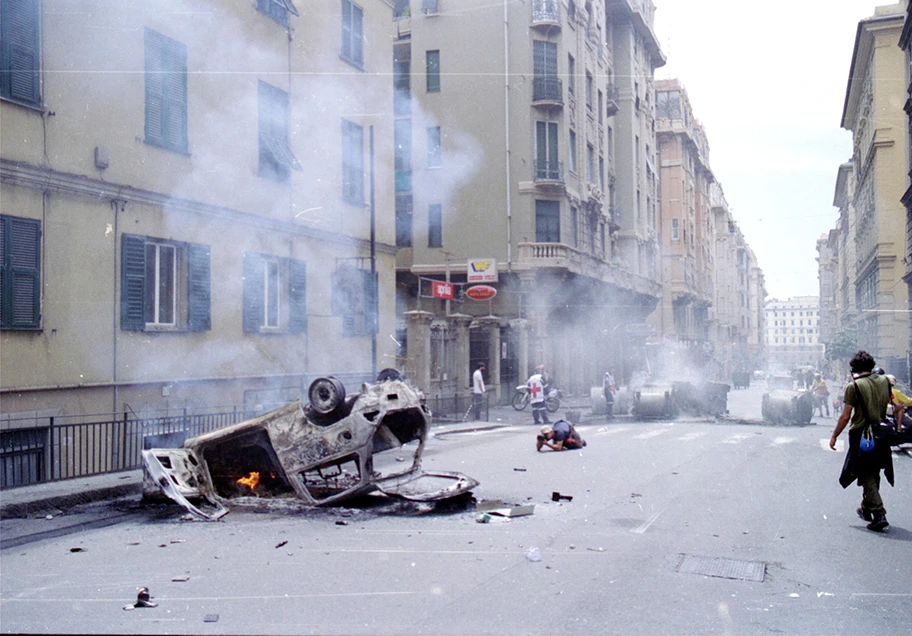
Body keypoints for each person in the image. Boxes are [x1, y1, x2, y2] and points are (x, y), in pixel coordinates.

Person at [829, 350, 894, 532]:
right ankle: (866, 508)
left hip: (862, 434)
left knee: (865, 473)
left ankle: (879, 513)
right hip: (881, 432)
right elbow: (890, 404)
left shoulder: (854, 386)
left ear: (854, 368)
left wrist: (834, 436)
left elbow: (845, 416)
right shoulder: (885, 381)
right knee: (873, 471)